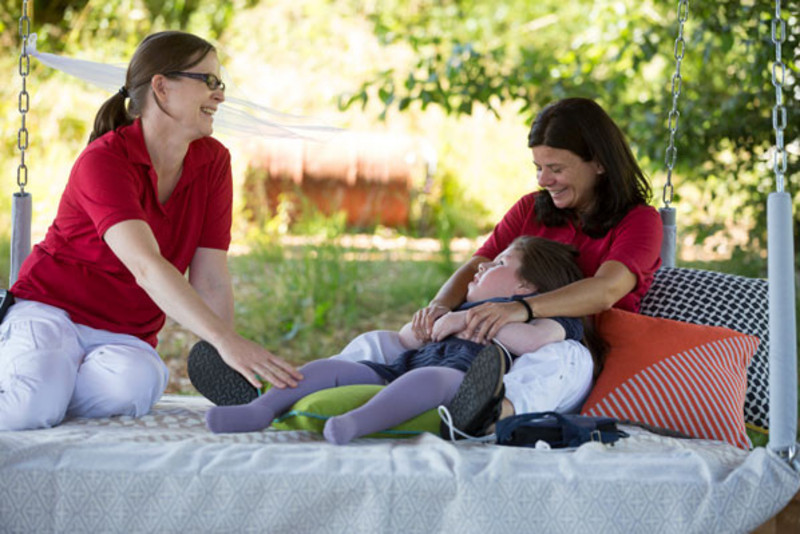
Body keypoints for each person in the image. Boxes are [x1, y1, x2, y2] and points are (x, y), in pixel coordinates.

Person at [0, 31, 302, 431]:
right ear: (161, 87)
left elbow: (210, 277)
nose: (220, 96)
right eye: (208, 81)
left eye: (221, 84)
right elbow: (146, 265)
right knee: (28, 411)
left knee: (135, 388)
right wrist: (229, 342)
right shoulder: (104, 160)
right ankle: (32, 380)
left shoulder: (213, 162)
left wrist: (221, 354)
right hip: (51, 310)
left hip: (124, 334)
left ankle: (40, 384)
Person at [340, 97, 662, 434]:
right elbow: (477, 265)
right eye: (538, 167)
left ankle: (492, 415)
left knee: (565, 359)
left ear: (598, 163)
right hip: (485, 343)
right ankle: (314, 385)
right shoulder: (531, 209)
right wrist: (438, 308)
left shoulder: (639, 221)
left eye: (556, 168)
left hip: (556, 347)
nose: (544, 179)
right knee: (381, 342)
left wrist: (521, 309)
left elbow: (606, 289)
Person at [201, 237, 595, 444]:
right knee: (330, 369)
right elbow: (406, 339)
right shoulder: (455, 307)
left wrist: (467, 320)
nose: (484, 266)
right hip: (406, 365)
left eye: (501, 264)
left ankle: (355, 422)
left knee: (431, 382)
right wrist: (424, 325)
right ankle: (261, 408)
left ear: (527, 285)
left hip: (461, 376)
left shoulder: (549, 317)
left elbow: (533, 342)